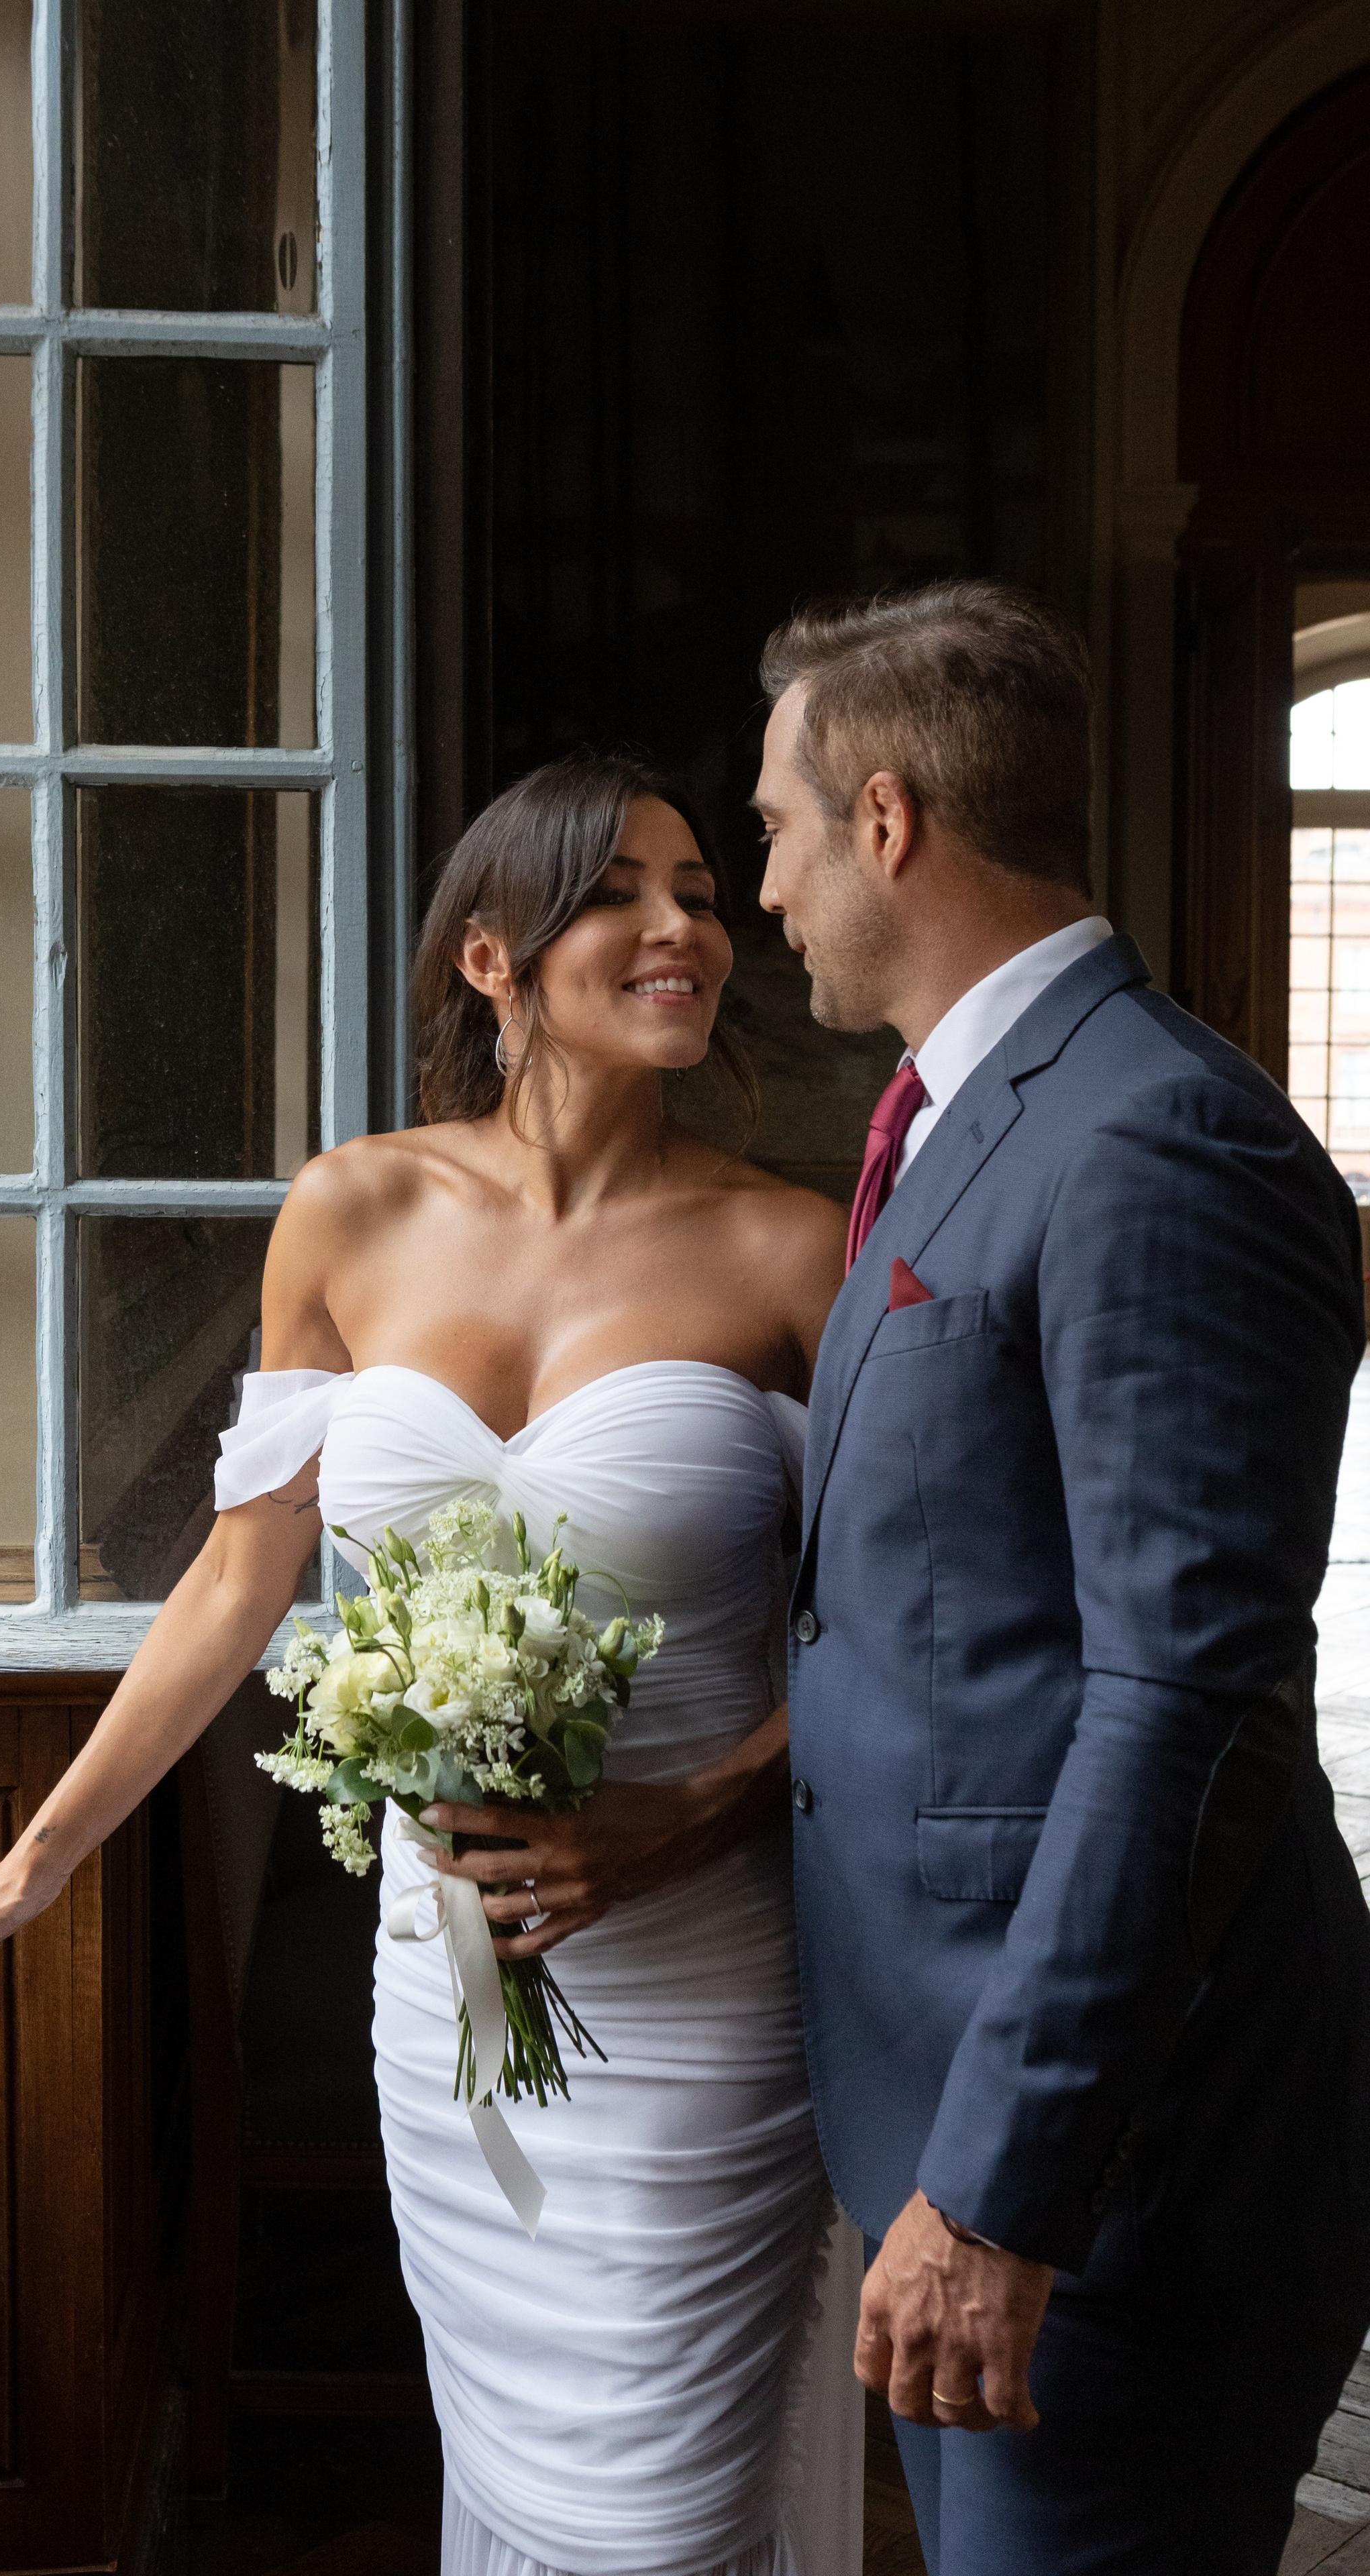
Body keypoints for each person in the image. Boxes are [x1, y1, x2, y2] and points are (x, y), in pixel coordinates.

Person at [0, 751, 862, 2576]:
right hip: (449, 1982)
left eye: (700, 887)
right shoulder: (351, 1214)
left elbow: (898, 1638)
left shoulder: (796, 1250)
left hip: (712, 1980)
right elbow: (243, 1576)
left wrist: (683, 1816)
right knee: (520, 2474)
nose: (686, 925)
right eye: (620, 890)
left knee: (661, 2509)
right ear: (490, 960)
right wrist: (29, 1868)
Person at [754, 579, 1370, 2575]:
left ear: (887, 817)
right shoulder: (954, 1122)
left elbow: (1185, 1706)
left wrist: (1006, 2196)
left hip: (1122, 2175)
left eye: (773, 825)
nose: (763, 888)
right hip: (965, 2109)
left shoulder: (1157, 1135)